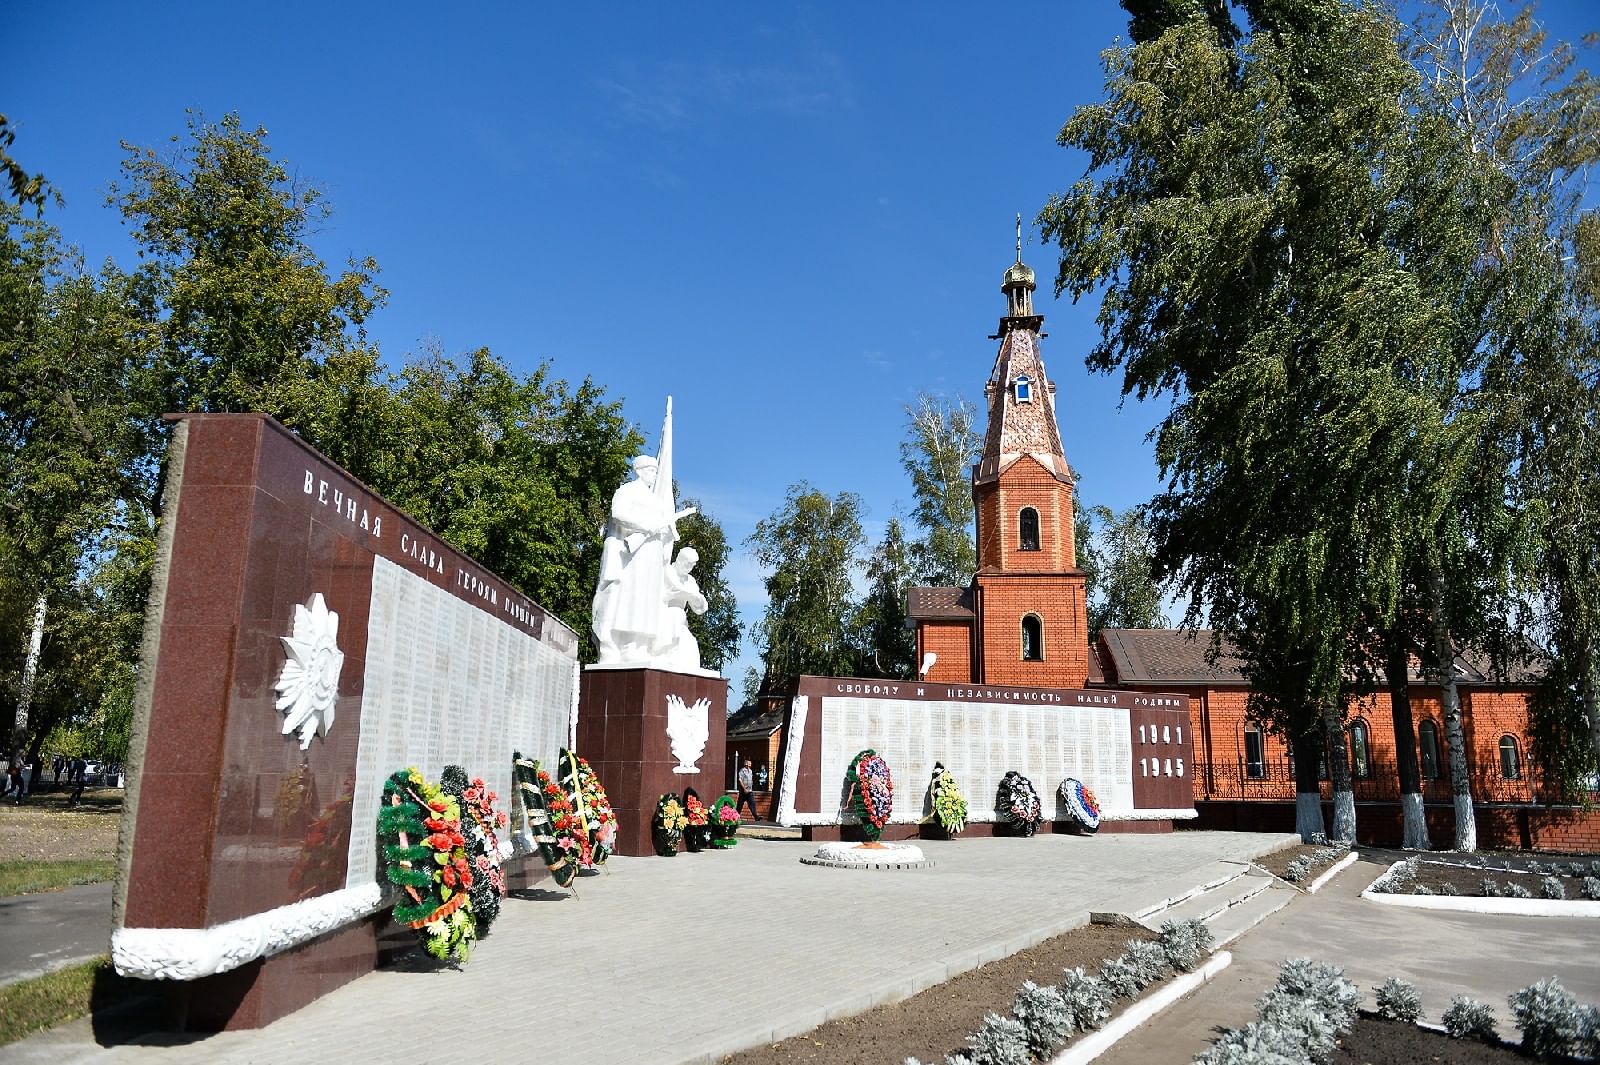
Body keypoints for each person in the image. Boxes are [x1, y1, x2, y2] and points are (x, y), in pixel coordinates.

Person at [591, 455, 679, 664]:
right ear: (638, 470)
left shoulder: (654, 500)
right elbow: (618, 514)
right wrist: (645, 526)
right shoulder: (627, 491)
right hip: (631, 557)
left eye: (656, 471)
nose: (654, 475)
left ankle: (640, 644)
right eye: (650, 470)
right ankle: (627, 644)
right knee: (630, 599)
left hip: (651, 556)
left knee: (647, 601)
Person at [660, 547, 709, 672]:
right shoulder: (666, 572)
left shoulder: (690, 580)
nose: (689, 568)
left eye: (692, 565)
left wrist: (697, 599)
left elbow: (700, 608)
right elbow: (655, 596)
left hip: (680, 620)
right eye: (688, 564)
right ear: (680, 560)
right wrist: (674, 594)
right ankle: (667, 656)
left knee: (690, 647)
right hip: (664, 614)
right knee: (676, 617)